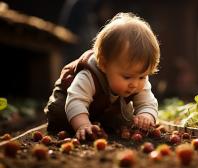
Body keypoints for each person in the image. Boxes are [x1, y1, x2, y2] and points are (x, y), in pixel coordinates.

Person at [44, 12, 160, 141]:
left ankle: (101, 123)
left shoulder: (136, 75)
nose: (135, 84)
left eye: (142, 77)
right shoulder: (89, 75)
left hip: (104, 108)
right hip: (68, 99)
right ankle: (81, 122)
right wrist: (83, 125)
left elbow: (148, 102)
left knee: (125, 118)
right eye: (127, 77)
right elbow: (76, 100)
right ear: (104, 65)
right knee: (60, 114)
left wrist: (146, 115)